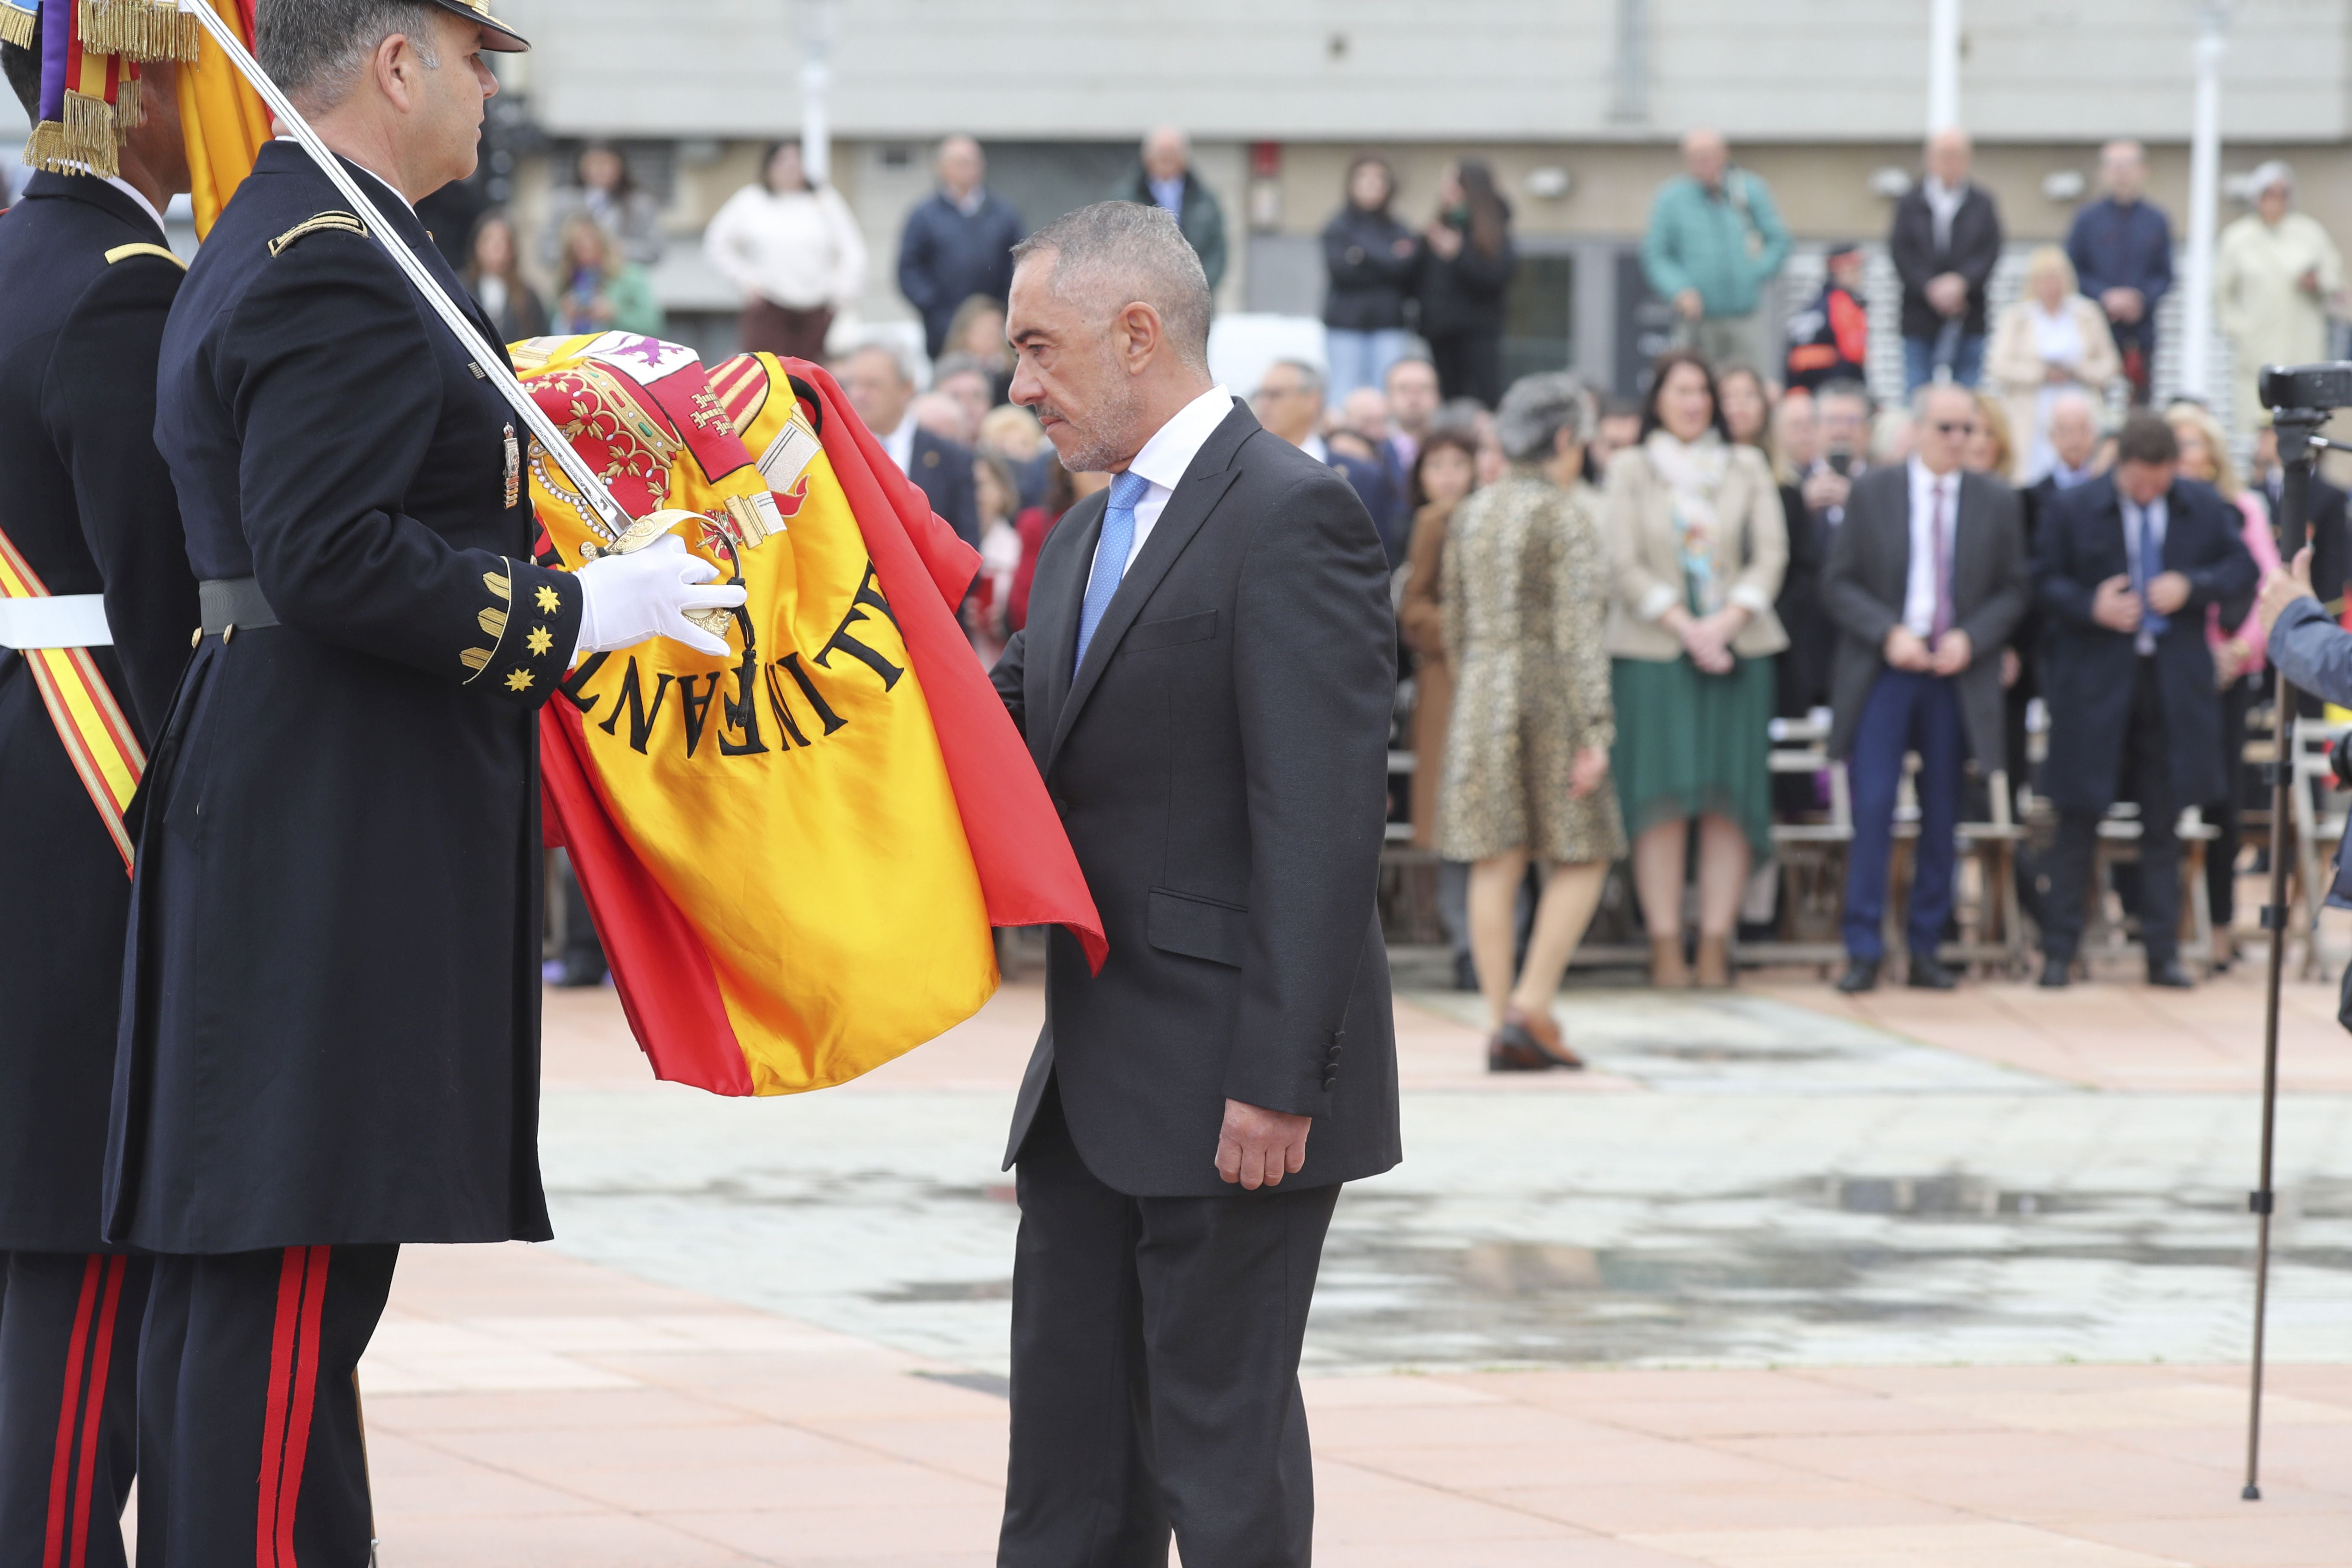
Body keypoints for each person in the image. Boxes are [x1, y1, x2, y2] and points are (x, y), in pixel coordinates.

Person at [119, 0, 743, 1556]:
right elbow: (331, 552)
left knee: (254, 1275)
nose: (490, 95)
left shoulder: (288, 235)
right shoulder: (340, 256)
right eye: (476, 61)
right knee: (288, 1270)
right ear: (397, 63)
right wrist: (580, 610)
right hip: (332, 807)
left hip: (288, 785)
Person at [992, 200, 1398, 1568]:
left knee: (1219, 1469)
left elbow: (1323, 821)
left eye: (1039, 349)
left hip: (1237, 1092)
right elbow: (986, 739)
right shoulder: (1075, 539)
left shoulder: (1294, 514)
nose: (1020, 385)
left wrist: (1280, 1077)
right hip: (1091, 1089)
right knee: (1066, 1471)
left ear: (1138, 333)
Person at [0, 30, 199, 1564]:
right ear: (125, 86)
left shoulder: (17, 254)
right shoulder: (126, 284)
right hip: (91, 777)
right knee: (80, 1234)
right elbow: (164, 596)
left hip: (24, 753)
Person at [1439, 375, 1626, 1069]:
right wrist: (1595, 727)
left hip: (1483, 689)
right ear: (1563, 439)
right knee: (1585, 849)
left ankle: (1500, 1020)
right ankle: (1532, 1004)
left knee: (1497, 855)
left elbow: (1456, 620)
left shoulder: (1474, 510)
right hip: (1548, 691)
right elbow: (1579, 628)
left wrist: (1477, 689)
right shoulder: (1564, 513)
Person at [2034, 412, 2257, 989]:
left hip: (2170, 685)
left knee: (2165, 822)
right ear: (2120, 466)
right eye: (2138, 479)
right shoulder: (2075, 506)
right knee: (2078, 818)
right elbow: (2040, 582)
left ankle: (2163, 952)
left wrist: (2191, 586)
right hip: (2094, 684)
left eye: (2159, 480)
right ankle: (2060, 950)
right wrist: (2092, 606)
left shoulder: (2202, 505)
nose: (2148, 490)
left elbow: (2243, 568)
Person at [1822, 385, 2029, 992]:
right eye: (1946, 428)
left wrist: (1973, 637)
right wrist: (1888, 634)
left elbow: (2015, 589)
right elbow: (1839, 585)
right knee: (1875, 807)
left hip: (1953, 675)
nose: (1959, 440)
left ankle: (1928, 946)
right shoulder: (1875, 491)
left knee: (1944, 813)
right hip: (1887, 670)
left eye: (1967, 429)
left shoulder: (1996, 500)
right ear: (1916, 431)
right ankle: (1863, 947)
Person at [1602, 350, 1789, 989]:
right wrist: (1686, 627)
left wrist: (1724, 624)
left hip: (1737, 652)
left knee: (1727, 801)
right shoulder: (1630, 466)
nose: (1692, 403)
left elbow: (1771, 555)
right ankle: (1663, 943)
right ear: (1657, 398)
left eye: (1702, 392)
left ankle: (1713, 941)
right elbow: (1620, 560)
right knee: (1661, 801)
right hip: (1655, 653)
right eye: (1680, 391)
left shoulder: (1746, 464)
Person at [2168, 401, 2280, 971]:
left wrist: (2239, 649)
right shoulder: (2154, 507)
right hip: (2174, 671)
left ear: (2211, 454)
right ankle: (2163, 925)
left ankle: (2218, 928)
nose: (2181, 454)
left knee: (2223, 802)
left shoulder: (2243, 508)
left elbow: (2268, 589)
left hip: (2231, 673)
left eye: (2190, 443)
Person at [1398, 429, 1484, 986]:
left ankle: (1499, 941)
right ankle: (1468, 946)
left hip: (1483, 681)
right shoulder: (1433, 523)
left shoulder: (1486, 516)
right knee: (1457, 821)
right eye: (1437, 465)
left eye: (1461, 463)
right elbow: (1414, 607)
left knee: (1491, 819)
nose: (1449, 476)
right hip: (1448, 686)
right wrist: (1468, 633)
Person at [702, 137, 866, 363]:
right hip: (769, 306)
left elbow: (853, 250)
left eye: (797, 160)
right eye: (783, 160)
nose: (790, 167)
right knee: (766, 375)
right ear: (769, 165)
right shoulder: (751, 201)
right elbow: (717, 244)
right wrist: (745, 280)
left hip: (818, 309)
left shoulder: (825, 202)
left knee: (810, 377)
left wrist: (842, 294)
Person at [1641, 128, 1791, 372]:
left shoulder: (1749, 191)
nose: (1703, 161)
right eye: (1696, 155)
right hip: (1698, 320)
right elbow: (1657, 256)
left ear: (1724, 154)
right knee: (1694, 381)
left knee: (1749, 382)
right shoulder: (1671, 199)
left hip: (1745, 315)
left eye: (1709, 153)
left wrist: (1753, 272)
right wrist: (1680, 290)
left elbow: (1779, 241)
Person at [2217, 162, 2346, 441]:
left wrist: (2317, 282)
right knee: (2261, 427)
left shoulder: (2309, 233)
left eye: (2282, 194)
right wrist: (2241, 330)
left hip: (2303, 348)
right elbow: (2221, 295)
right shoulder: (2238, 238)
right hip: (2258, 352)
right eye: (2269, 194)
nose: (2275, 201)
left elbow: (2334, 279)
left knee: (2306, 426)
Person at [1989, 245, 2120, 482]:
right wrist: (2042, 373)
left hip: (2078, 402)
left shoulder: (2086, 313)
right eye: (2044, 279)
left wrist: (2077, 369)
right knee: (2033, 473)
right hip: (2033, 410)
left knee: (2081, 471)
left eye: (2056, 278)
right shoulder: (2018, 317)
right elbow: (1999, 367)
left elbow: (2110, 365)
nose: (2051, 286)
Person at [838, 340, 982, 547]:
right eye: (852, 384)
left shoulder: (951, 459)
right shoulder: (831, 451)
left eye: (872, 385)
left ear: (906, 389)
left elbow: (966, 549)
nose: (857, 395)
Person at [1891, 128, 2003, 393]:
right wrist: (1929, 286)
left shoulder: (1983, 203)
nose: (1950, 162)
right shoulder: (1910, 202)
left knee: (1969, 393)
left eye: (1957, 155)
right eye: (1944, 155)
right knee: (1918, 393)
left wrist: (1962, 283)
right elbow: (1901, 252)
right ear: (1929, 158)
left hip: (1969, 313)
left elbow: (1990, 251)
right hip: (1919, 315)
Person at [897, 135, 1023, 359]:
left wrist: (1003, 309)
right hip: (943, 330)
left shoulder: (1003, 213)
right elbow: (909, 270)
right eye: (961, 163)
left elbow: (1018, 263)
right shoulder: (924, 216)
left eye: (974, 162)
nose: (970, 169)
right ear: (943, 168)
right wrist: (935, 310)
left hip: (996, 326)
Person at [2067, 140, 2173, 404]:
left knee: (2140, 405)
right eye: (2114, 166)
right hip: (2095, 331)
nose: (2122, 173)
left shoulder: (2156, 220)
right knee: (2094, 403)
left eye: (2128, 165)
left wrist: (2140, 299)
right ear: (2103, 172)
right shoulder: (2087, 220)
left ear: (2143, 170)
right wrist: (2105, 296)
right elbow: (2072, 272)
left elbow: (2165, 275)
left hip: (2142, 333)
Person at [1417, 158, 1515, 407]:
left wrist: (1458, 255)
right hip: (1440, 333)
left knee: (1483, 400)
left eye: (1454, 184)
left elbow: (1495, 278)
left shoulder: (1494, 230)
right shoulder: (1440, 226)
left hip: (1477, 334)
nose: (1447, 190)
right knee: (1447, 400)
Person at [1323, 155, 1419, 401]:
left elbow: (1407, 268)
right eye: (1364, 178)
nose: (1371, 185)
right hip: (1345, 326)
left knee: (1388, 394)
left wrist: (1363, 255)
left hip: (1389, 324)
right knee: (1343, 396)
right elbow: (1342, 271)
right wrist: (1388, 257)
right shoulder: (1338, 227)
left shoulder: (1399, 228)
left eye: (1379, 179)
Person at [1110, 125, 1227, 293]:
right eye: (1160, 151)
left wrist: (1198, 286)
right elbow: (1114, 247)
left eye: (1172, 151)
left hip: (1194, 297)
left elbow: (1217, 250)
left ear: (1184, 157)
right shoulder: (1125, 197)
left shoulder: (1204, 199)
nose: (1166, 157)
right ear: (1147, 156)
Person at [539, 138, 662, 268]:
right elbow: (545, 250)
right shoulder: (564, 200)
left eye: (606, 163)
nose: (599, 170)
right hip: (577, 281)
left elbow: (655, 250)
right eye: (592, 163)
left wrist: (615, 248)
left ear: (621, 166)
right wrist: (576, 250)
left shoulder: (639, 202)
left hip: (622, 279)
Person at [1329, 385, 1411, 560]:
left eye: (1382, 421)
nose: (1376, 430)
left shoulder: (1388, 448)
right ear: (1346, 421)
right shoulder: (1337, 459)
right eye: (1367, 422)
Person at [550, 211, 662, 337]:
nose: (585, 250)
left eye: (589, 242)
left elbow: (652, 326)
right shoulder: (567, 281)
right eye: (577, 246)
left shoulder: (630, 277)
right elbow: (548, 327)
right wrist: (563, 317)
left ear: (602, 243)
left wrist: (614, 314)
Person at [1785, 242, 1871, 393]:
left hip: (1801, 394)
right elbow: (1853, 355)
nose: (1861, 276)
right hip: (1834, 393)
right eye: (1857, 270)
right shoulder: (1842, 304)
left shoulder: (1812, 307)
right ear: (1842, 270)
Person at [967, 450, 1026, 664]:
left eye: (979, 485)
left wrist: (1004, 620)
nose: (971, 495)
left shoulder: (1018, 550)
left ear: (1002, 491)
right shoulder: (940, 551)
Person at [460, 208, 548, 341]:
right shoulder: (460, 290)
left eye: (502, 241)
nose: (496, 247)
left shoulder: (527, 297)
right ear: (477, 245)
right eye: (489, 240)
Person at [944, 292, 1018, 404]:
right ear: (965, 333)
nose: (991, 336)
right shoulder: (948, 372)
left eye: (996, 329)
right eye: (984, 330)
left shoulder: (1013, 375)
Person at [1253, 357, 1329, 459]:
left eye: (1275, 395)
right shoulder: (1242, 463)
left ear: (1312, 401)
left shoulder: (1348, 471)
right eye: (1261, 395)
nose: (1264, 404)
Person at [1385, 354, 1441, 469]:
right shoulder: (1373, 452)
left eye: (1423, 388)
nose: (1414, 397)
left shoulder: (1451, 449)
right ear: (1388, 398)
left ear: (1438, 396)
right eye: (1403, 389)